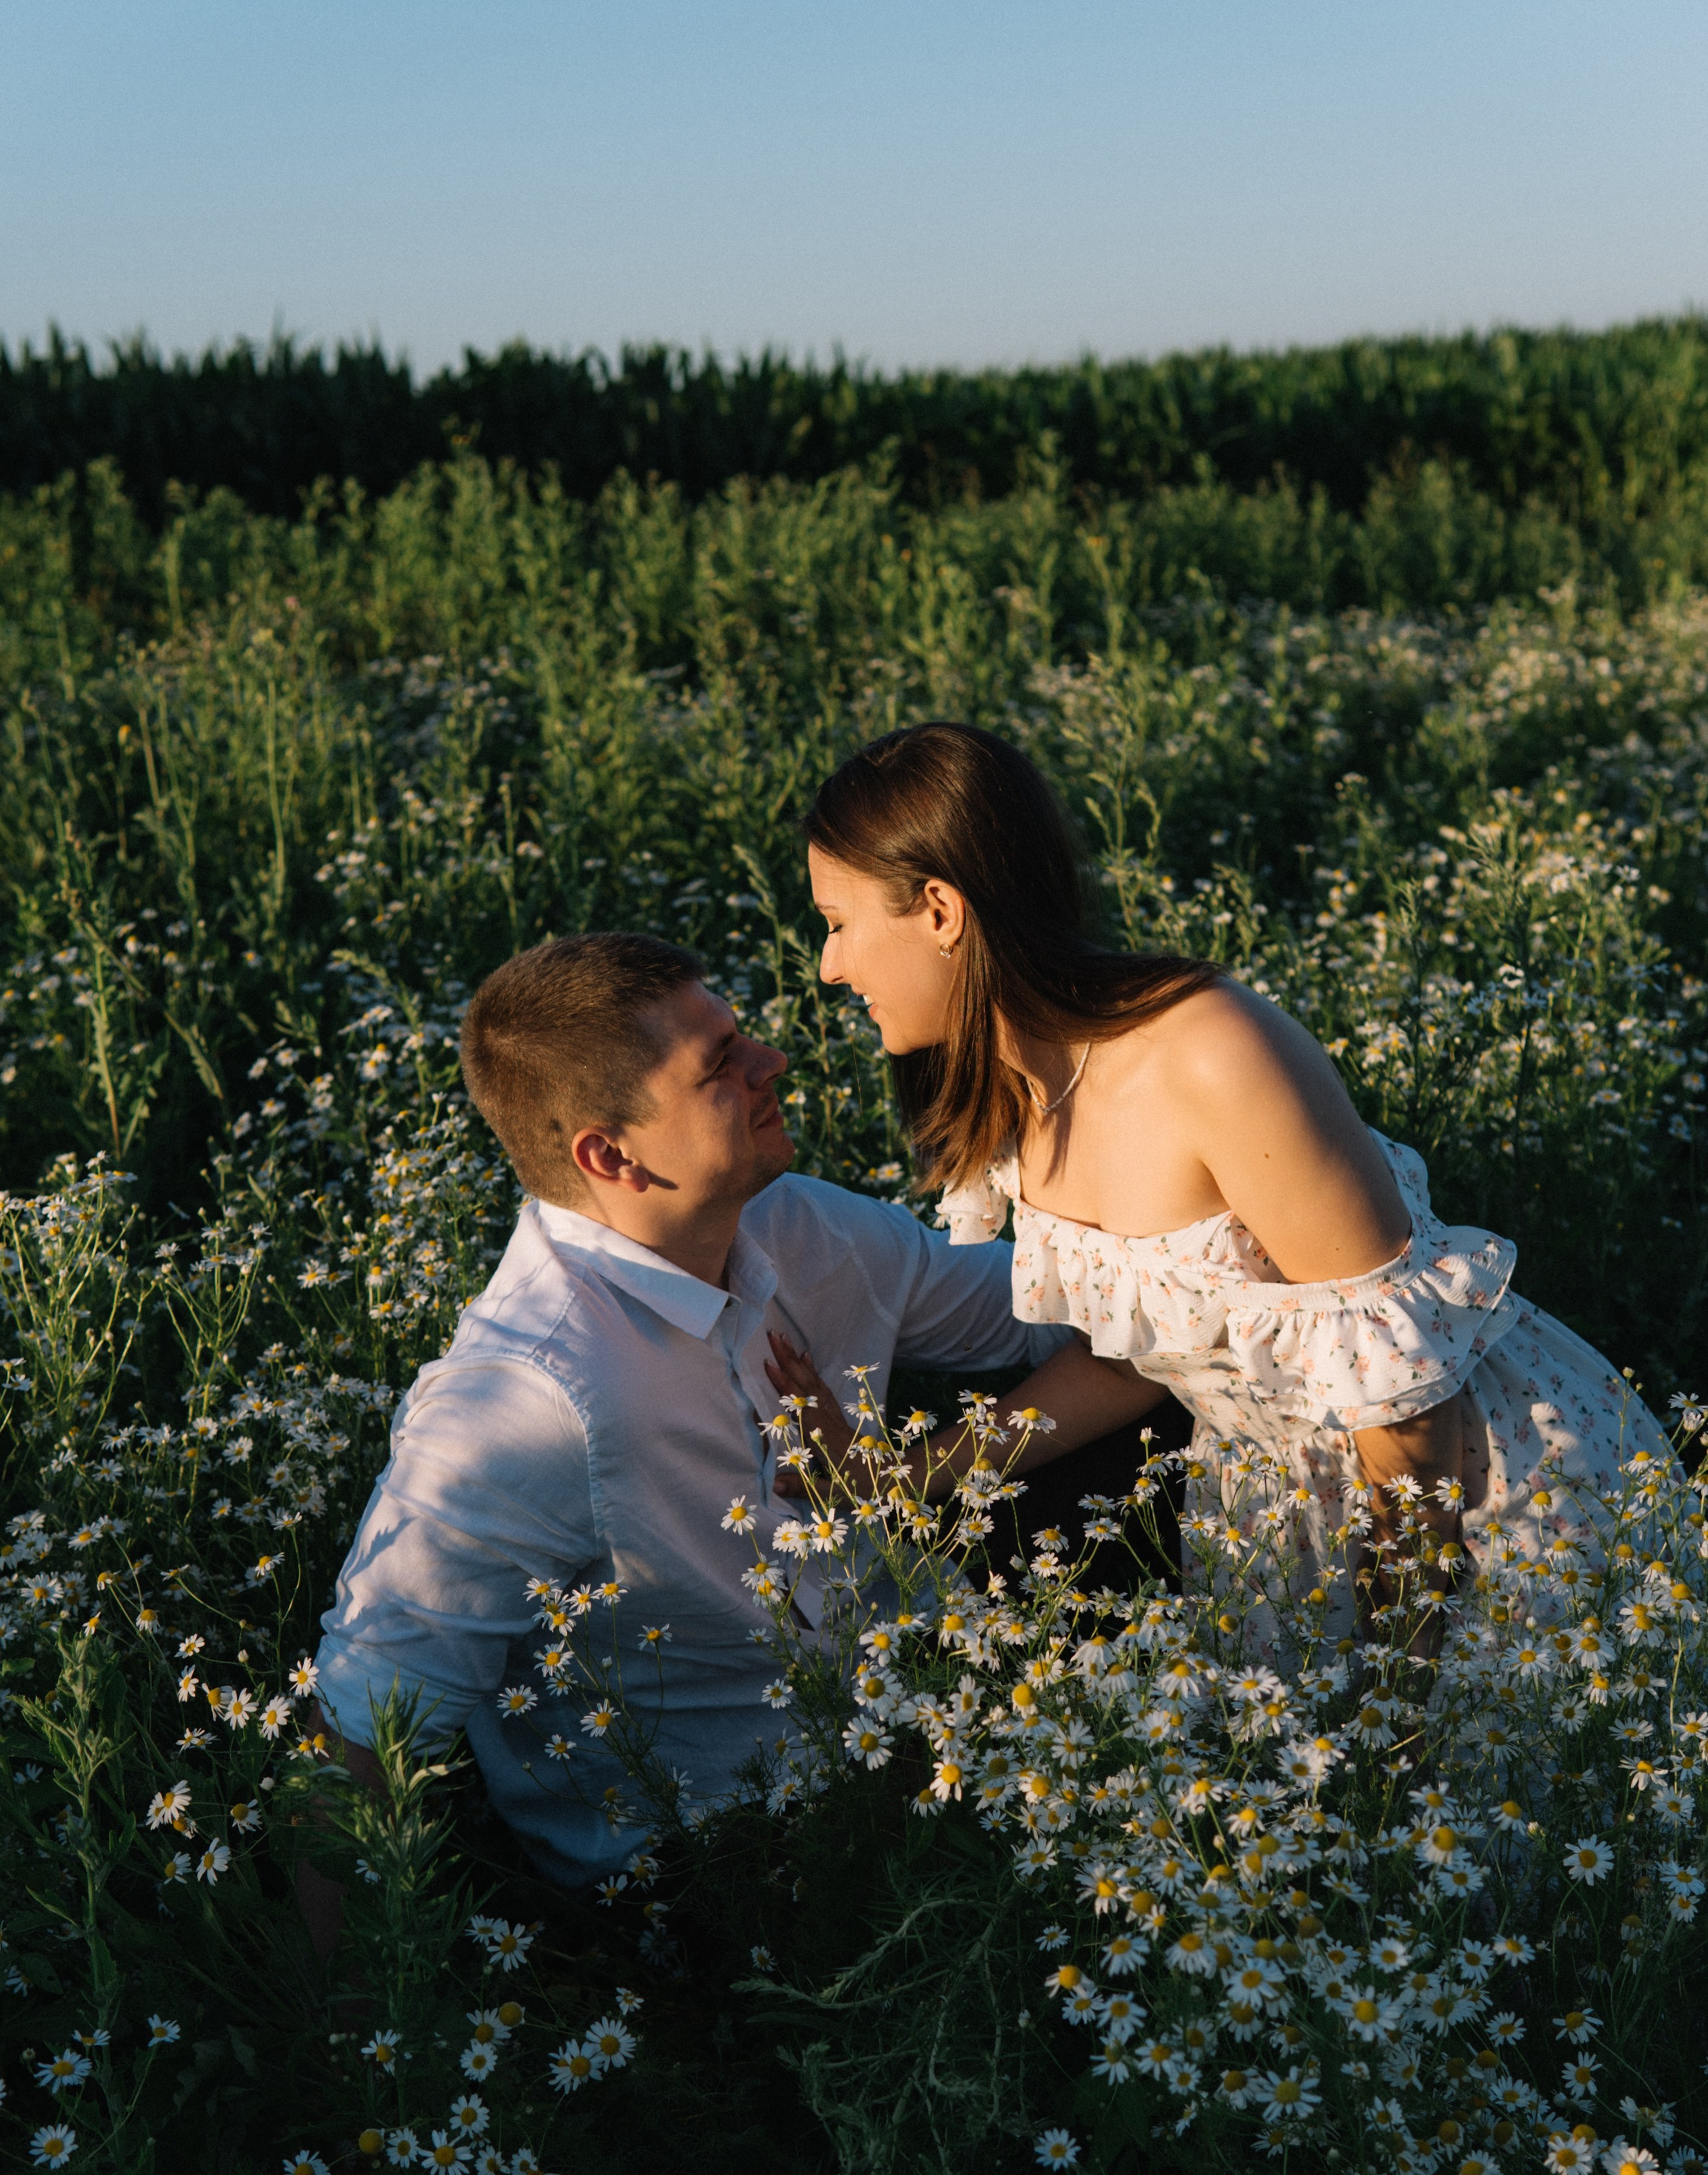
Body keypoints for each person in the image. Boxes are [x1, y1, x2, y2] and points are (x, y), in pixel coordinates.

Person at [765, 720, 1672, 1643]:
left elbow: (1404, 1392)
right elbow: (1136, 1364)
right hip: (1274, 1519)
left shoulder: (1209, 1054)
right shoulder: (1020, 1091)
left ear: (941, 912)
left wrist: (1402, 1660)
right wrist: (902, 1477)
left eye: (838, 924)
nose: (830, 965)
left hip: (1469, 1509)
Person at [305, 929, 1074, 1939]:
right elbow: (359, 1745)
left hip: (925, 1718)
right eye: (720, 1067)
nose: (774, 1063)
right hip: (717, 1868)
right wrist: (363, 2061)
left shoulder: (792, 1227)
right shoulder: (524, 1402)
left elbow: (1062, 1307)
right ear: (609, 1154)